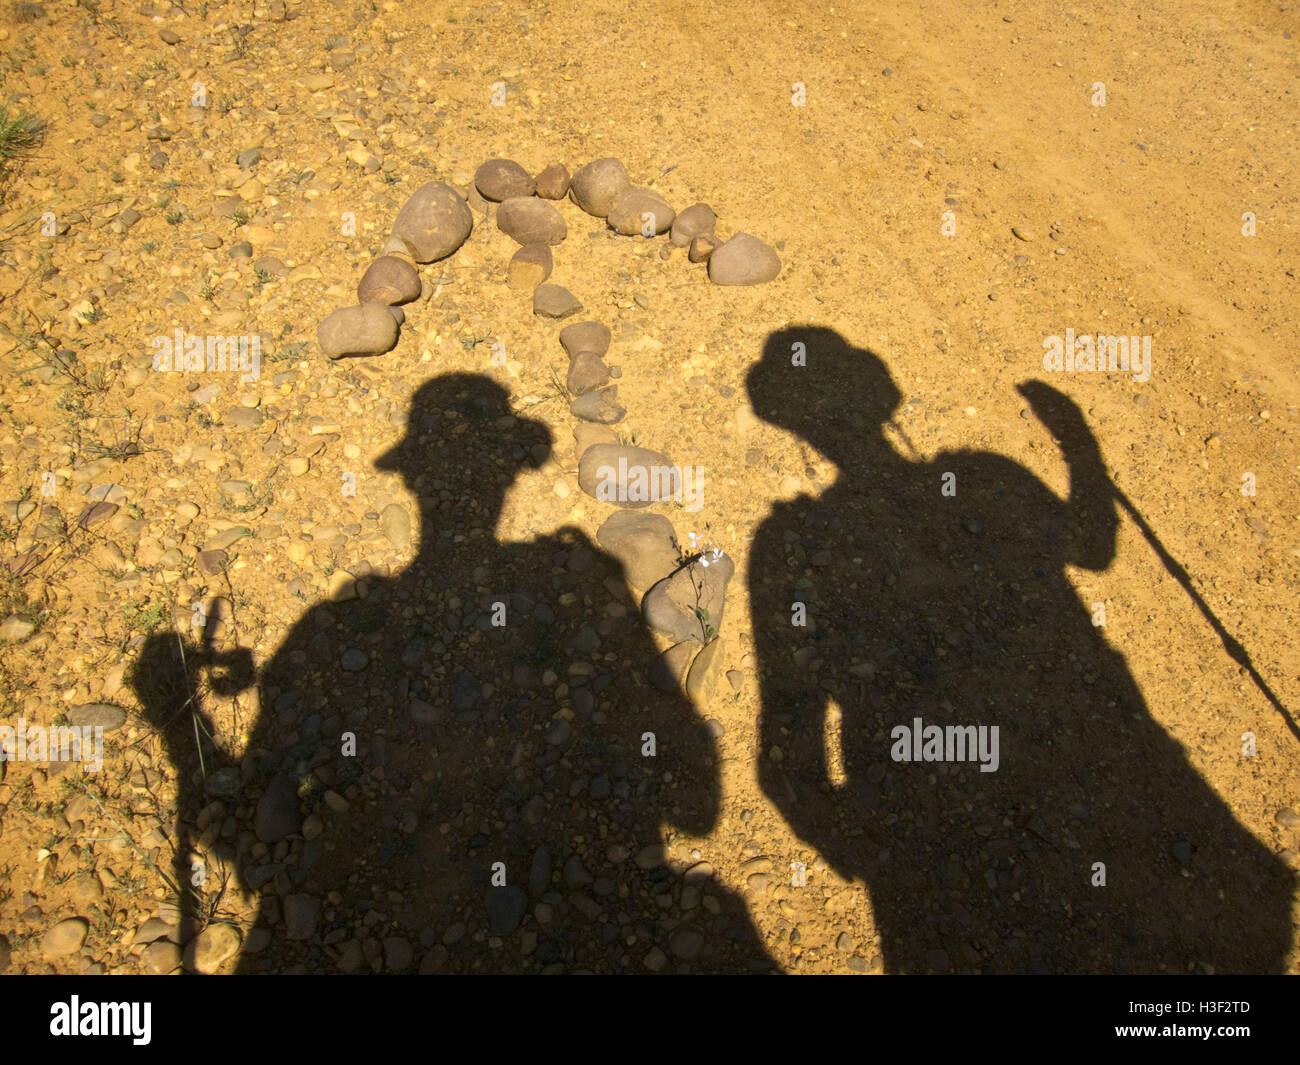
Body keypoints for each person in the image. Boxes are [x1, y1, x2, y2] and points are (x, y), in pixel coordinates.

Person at [137, 372, 774, 974]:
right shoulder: (575, 580)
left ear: (410, 476)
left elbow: (246, 843)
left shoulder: (324, 632)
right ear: (515, 469)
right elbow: (697, 806)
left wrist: (183, 732)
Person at [746, 326, 1294, 973]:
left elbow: (790, 730)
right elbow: (1094, 549)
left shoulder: (789, 540)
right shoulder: (986, 475)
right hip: (1116, 763)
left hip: (941, 832)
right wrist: (1080, 445)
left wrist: (840, 833)